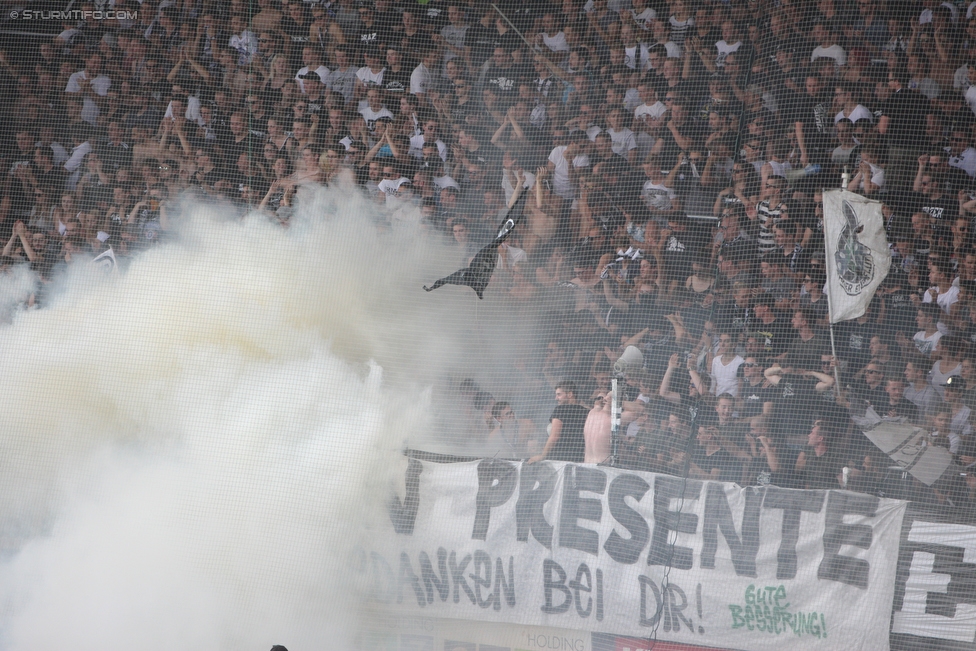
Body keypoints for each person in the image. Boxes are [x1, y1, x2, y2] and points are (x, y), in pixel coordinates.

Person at [529, 381, 589, 463]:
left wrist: (543, 455)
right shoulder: (587, 412)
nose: (556, 398)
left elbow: (554, 437)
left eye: (559, 394)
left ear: (570, 394)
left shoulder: (560, 410)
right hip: (578, 458)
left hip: (559, 458)